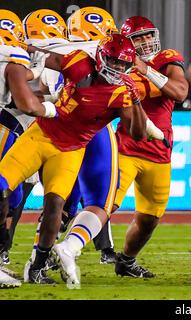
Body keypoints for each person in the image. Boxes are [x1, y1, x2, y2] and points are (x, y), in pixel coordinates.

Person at [1, 33, 151, 285]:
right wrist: (21, 48)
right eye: (113, 61)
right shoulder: (79, 62)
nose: (117, 68)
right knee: (2, 187)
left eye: (122, 65)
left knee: (55, 206)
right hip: (41, 134)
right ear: (102, 56)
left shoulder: (122, 93)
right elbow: (46, 59)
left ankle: (37, 267)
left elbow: (137, 133)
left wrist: (136, 100)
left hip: (71, 150)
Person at [22, 7, 121, 273]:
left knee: (56, 202)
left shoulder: (51, 52)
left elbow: (42, 88)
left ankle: (36, 260)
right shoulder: (89, 52)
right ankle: (67, 249)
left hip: (55, 129)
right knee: (100, 201)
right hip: (90, 129)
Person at [112, 16, 188, 278]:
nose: (145, 41)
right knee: (105, 206)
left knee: (150, 218)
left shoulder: (166, 59)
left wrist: (146, 71)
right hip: (125, 146)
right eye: (138, 38)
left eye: (147, 35)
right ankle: (61, 249)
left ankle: (126, 262)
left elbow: (180, 92)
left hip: (158, 151)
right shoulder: (117, 63)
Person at [0, 10, 58, 288]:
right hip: (5, 126)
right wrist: (51, 107)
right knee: (5, 195)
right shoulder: (12, 58)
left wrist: (33, 72)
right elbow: (26, 104)